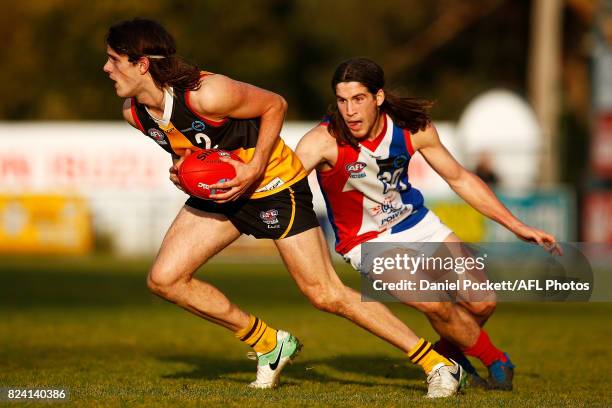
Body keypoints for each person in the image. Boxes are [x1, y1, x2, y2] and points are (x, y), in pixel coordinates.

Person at [104, 19, 464, 397]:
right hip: (226, 193)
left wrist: (255, 166)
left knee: (325, 293)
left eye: (114, 59)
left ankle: (437, 363)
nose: (107, 68)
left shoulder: (207, 94)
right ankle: (269, 343)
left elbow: (276, 104)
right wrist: (184, 171)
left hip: (274, 184)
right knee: (165, 279)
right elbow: (196, 151)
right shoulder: (136, 114)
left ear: (141, 63)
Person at [296, 57, 563, 391]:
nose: (349, 111)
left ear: (378, 97)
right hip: (366, 241)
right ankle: (497, 360)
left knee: (483, 302)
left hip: (417, 223)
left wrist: (516, 225)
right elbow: (281, 184)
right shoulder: (321, 140)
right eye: (342, 100)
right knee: (433, 302)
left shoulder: (413, 129)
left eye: (358, 99)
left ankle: (447, 356)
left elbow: (460, 178)